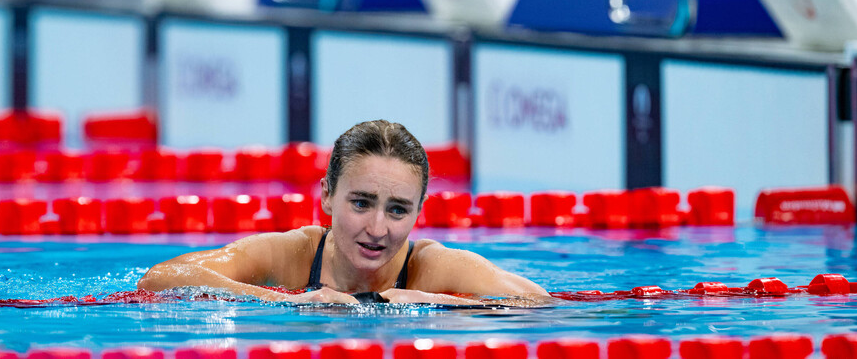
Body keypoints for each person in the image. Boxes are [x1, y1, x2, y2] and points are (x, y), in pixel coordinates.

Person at [138, 120, 551, 305]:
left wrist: (438, 300)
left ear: (419, 212)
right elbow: (160, 277)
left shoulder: (432, 269)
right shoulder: (294, 256)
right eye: (361, 203)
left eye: (398, 210)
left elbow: (542, 305)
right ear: (326, 197)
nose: (377, 228)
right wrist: (285, 301)